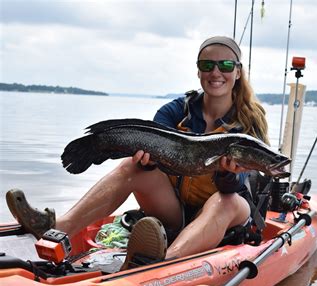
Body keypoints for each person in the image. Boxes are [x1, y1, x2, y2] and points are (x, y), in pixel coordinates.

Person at [6, 35, 269, 269]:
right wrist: (147, 163)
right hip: (176, 211)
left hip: (225, 218)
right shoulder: (175, 110)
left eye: (225, 65)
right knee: (131, 167)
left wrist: (227, 174)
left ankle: (162, 263)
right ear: (198, 72)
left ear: (237, 72)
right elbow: (155, 164)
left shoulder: (250, 122)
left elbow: (238, 185)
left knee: (225, 200)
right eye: (206, 65)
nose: (216, 72)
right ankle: (55, 229)